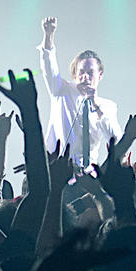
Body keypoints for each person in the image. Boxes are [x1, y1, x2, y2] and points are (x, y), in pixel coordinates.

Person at [38, 16, 121, 169]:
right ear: (75, 74)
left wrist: (96, 105)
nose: (85, 77)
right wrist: (48, 35)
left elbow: (115, 140)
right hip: (60, 169)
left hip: (89, 175)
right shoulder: (61, 92)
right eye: (81, 72)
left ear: (100, 75)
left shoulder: (108, 106)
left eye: (90, 72)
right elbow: (49, 67)